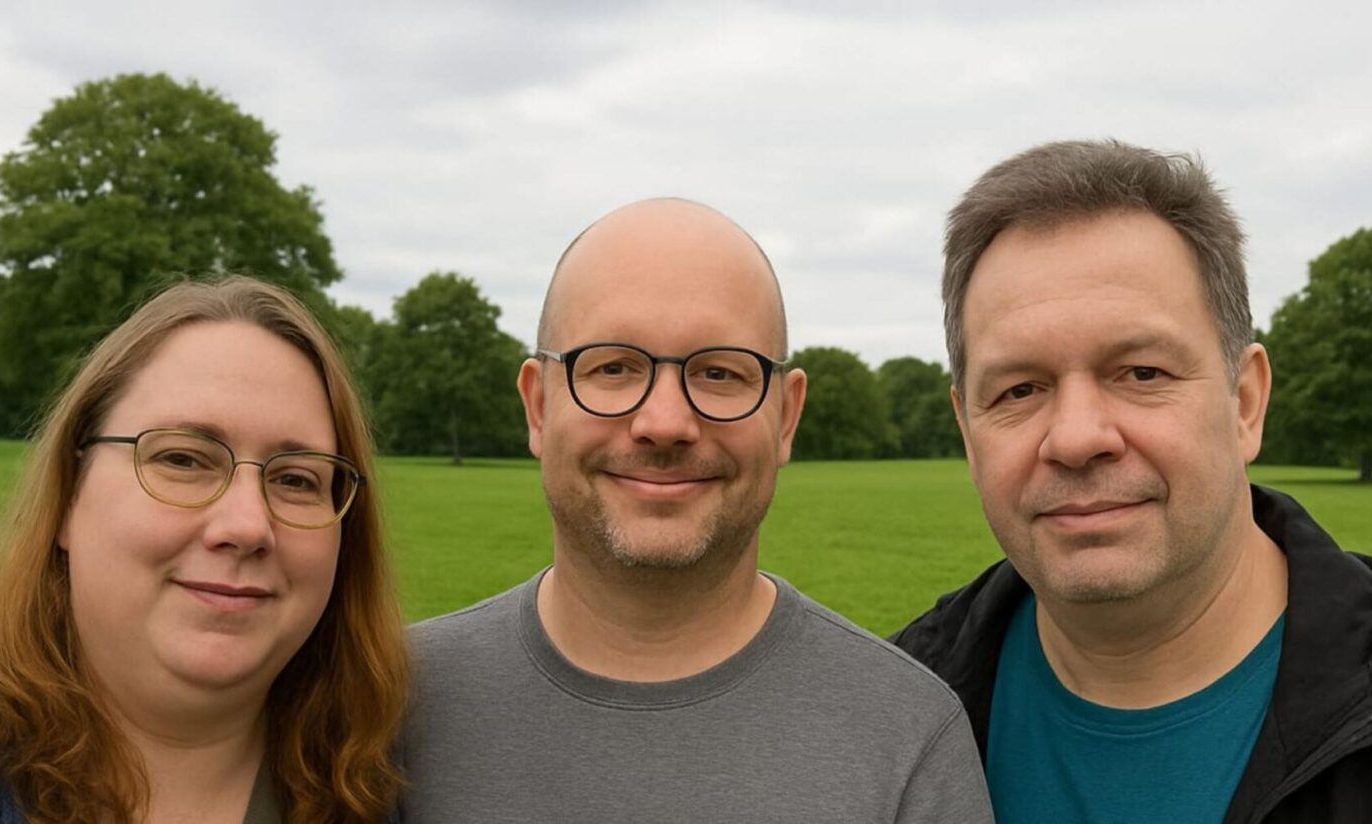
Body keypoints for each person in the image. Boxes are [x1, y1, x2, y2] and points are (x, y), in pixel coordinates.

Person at [891, 139, 1372, 823]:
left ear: (1245, 401)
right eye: (1019, 389)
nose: (1075, 438)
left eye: (1142, 373)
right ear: (967, 431)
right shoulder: (886, 715)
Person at [402, 198, 993, 823]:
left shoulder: (907, 736)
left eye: (719, 373)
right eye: (612, 367)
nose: (665, 423)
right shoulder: (382, 709)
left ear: (786, 417)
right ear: (538, 407)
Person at [0, 277, 410, 823]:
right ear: (69, 495)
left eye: (296, 479)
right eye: (182, 460)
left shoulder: (389, 791)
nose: (247, 525)